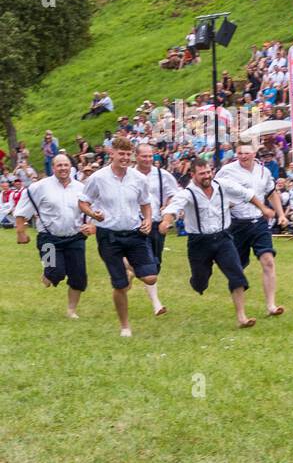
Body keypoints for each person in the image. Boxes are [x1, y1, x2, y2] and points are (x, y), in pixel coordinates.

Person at [158, 158, 267, 330]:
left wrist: (264, 209)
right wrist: (165, 222)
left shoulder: (222, 185)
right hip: (199, 243)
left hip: (223, 238)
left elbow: (248, 194)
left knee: (237, 275)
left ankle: (241, 317)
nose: (207, 176)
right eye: (202, 174)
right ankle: (197, 281)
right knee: (201, 282)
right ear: (192, 174)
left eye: (209, 172)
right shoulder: (188, 193)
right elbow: (173, 208)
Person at [77, 137, 158, 337]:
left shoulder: (139, 179)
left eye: (127, 154)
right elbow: (83, 202)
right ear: (111, 153)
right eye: (120, 154)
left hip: (134, 233)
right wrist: (93, 214)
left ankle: (131, 271)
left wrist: (147, 220)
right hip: (109, 236)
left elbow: (145, 203)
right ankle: (125, 326)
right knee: (119, 284)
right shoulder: (98, 178)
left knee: (150, 276)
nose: (124, 158)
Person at [13, 153, 93, 319]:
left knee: (79, 276)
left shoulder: (81, 188)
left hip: (75, 237)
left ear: (71, 167)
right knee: (55, 273)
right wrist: (21, 232)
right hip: (49, 239)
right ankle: (48, 272)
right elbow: (21, 211)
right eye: (59, 165)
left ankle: (71, 310)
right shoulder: (39, 187)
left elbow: (93, 210)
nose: (63, 168)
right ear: (53, 168)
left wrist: (92, 225)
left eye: (66, 165)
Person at [216, 140, 289, 316]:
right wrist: (227, 205)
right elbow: (215, 190)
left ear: (254, 153)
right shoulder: (227, 171)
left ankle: (271, 305)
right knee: (236, 269)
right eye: (240, 153)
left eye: (246, 153)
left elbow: (272, 194)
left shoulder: (263, 171)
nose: (243, 156)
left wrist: (281, 214)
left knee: (268, 261)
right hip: (236, 224)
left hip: (259, 222)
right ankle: (241, 314)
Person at [134, 142, 177, 317]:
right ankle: (156, 304)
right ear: (136, 156)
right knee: (149, 265)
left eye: (150, 156)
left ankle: (131, 270)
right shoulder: (129, 175)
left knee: (156, 264)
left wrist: (166, 215)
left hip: (157, 224)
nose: (147, 159)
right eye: (144, 156)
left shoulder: (163, 175)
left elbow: (174, 196)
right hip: (136, 225)